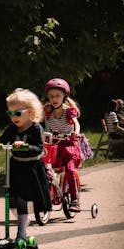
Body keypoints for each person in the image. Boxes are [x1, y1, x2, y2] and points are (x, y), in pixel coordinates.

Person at [0, 88, 52, 244]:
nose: (13, 117)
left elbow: (39, 148)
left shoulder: (36, 128)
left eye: (17, 113)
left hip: (31, 168)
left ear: (29, 112)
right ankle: (23, 222)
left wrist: (25, 145)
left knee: (23, 199)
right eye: (10, 114)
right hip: (16, 167)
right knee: (13, 200)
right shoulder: (12, 128)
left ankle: (21, 234)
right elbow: (3, 139)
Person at [44, 78, 82, 212]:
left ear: (64, 96)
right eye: (51, 96)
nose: (54, 99)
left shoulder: (68, 111)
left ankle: (75, 199)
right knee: (47, 169)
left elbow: (76, 123)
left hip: (69, 145)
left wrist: (75, 133)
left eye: (57, 96)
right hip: (54, 145)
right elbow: (45, 127)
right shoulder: (48, 111)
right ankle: (53, 192)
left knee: (70, 170)